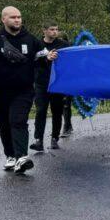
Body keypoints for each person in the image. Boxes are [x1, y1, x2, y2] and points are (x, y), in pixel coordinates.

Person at [0, 6, 58, 174]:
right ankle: (10, 156)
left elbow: (40, 58)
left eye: (19, 17)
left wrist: (47, 58)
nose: (17, 20)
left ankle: (21, 157)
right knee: (4, 124)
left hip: (23, 90)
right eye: (13, 17)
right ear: (3, 19)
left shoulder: (31, 40)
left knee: (18, 121)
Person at [30, 22, 68, 152]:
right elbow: (31, 59)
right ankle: (38, 140)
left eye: (56, 29)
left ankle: (54, 139)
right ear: (44, 30)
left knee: (56, 111)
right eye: (51, 29)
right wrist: (46, 57)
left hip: (57, 83)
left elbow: (71, 59)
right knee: (41, 110)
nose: (54, 32)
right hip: (41, 82)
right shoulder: (37, 44)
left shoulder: (63, 45)